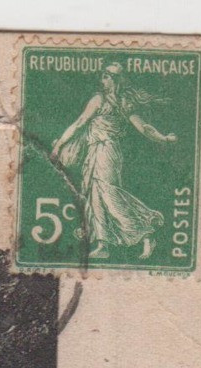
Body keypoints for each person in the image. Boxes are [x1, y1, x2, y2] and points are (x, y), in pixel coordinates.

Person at [51, 63, 178, 260]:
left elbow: (143, 127)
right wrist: (59, 144)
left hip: (107, 150)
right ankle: (103, 245)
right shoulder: (108, 100)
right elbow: (81, 123)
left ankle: (146, 232)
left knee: (109, 194)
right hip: (95, 151)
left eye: (106, 76)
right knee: (96, 195)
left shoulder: (110, 101)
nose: (103, 79)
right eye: (103, 75)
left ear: (114, 79)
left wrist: (163, 138)